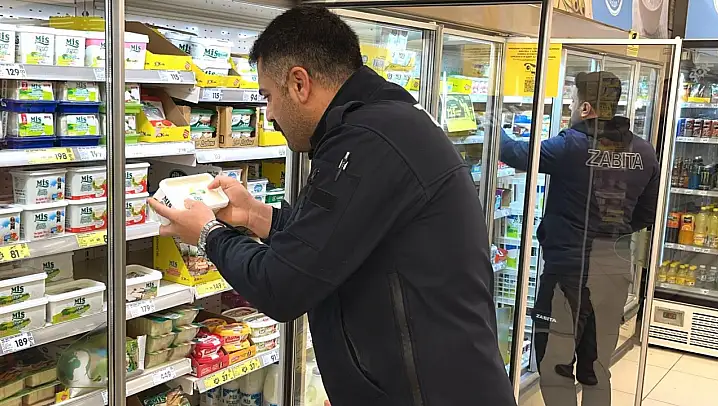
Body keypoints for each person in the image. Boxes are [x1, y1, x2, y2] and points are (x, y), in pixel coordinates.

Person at [148, 5, 515, 406]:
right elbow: (336, 237)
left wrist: (208, 234)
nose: (269, 115)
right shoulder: (379, 125)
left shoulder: (367, 143)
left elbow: (281, 286)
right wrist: (256, 215)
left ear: (299, 83)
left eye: (268, 97)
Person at [499, 71, 659, 406]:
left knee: (556, 365)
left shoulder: (571, 146)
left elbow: (514, 153)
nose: (571, 108)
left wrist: (488, 123)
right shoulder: (644, 151)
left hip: (569, 274)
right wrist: (610, 232)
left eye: (572, 102)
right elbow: (647, 214)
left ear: (585, 107)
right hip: (615, 269)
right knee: (596, 367)